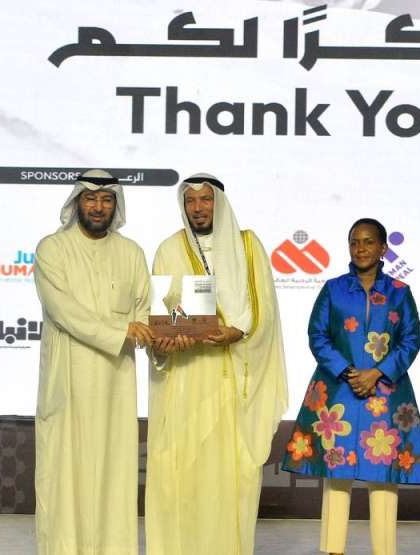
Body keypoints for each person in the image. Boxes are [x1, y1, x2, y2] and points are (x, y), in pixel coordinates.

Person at [144, 173, 288, 555]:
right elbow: (157, 313)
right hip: (185, 384)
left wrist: (237, 332)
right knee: (182, 478)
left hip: (232, 383)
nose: (198, 208)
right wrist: (166, 341)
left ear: (219, 203)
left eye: (205, 199)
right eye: (190, 201)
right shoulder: (168, 249)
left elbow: (265, 311)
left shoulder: (248, 246)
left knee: (230, 479)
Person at [282, 218, 420, 555]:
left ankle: (385, 551)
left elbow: (411, 339)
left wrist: (377, 373)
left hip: (386, 393)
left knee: (384, 475)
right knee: (337, 471)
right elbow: (317, 336)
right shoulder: (333, 289)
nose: (360, 248)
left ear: (383, 248)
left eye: (368, 242)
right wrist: (349, 372)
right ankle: (333, 550)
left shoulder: (400, 292)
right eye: (354, 242)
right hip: (339, 392)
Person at [33, 169, 153, 554]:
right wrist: (122, 331)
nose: (98, 207)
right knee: (64, 476)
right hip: (68, 384)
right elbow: (63, 311)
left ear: (116, 205)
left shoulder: (131, 253)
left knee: (113, 474)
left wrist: (166, 334)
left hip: (116, 385)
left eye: (106, 200)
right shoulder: (52, 249)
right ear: (77, 202)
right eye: (90, 198)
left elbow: (145, 311)